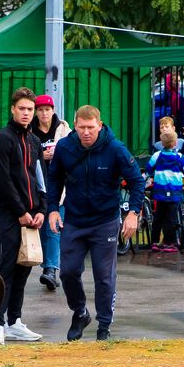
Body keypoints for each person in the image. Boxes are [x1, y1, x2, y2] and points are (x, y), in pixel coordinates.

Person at [47, 104, 145, 341]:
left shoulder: (115, 149)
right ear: (75, 126)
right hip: (75, 220)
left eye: (91, 127)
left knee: (104, 276)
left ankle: (104, 326)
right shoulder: (65, 148)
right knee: (68, 272)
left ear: (100, 126)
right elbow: (55, 179)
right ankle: (80, 312)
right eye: (81, 127)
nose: (86, 132)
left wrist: (132, 213)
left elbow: (137, 182)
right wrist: (52, 210)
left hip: (105, 222)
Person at [0, 87, 46, 345]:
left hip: (34, 217)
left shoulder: (34, 142)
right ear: (12, 109)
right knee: (6, 268)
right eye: (22, 108)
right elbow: (2, 181)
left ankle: (15, 321)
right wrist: (20, 212)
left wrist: (42, 210)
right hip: (11, 215)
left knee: (25, 267)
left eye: (30, 110)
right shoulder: (2, 139)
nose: (26, 113)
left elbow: (41, 179)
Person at [30, 93, 71, 292]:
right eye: (40, 110)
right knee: (40, 227)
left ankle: (51, 270)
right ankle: (47, 266)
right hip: (37, 184)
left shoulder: (63, 129)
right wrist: (40, 155)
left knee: (54, 226)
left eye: (47, 109)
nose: (44, 113)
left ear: (53, 110)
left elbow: (74, 149)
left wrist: (59, 154)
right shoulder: (31, 131)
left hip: (59, 183)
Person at [147, 130, 184, 253]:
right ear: (175, 143)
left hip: (160, 191)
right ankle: (170, 243)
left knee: (158, 217)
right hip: (174, 192)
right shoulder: (179, 158)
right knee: (171, 218)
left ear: (162, 143)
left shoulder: (157, 156)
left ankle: (154, 242)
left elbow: (149, 169)